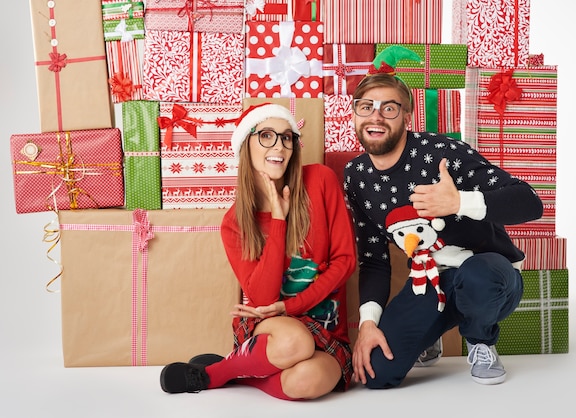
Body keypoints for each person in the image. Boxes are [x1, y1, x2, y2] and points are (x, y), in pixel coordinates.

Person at [344, 47, 544, 388]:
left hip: (489, 273)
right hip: (429, 281)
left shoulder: (441, 152)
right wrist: (367, 324)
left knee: (479, 279)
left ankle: (481, 341)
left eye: (388, 108)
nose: (376, 117)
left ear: (406, 116)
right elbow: (375, 262)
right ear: (354, 115)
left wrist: (459, 202)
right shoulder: (356, 177)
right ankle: (430, 331)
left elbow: (530, 203)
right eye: (367, 107)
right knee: (377, 373)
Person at [159, 103, 357, 400]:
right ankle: (218, 373)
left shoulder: (321, 180)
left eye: (286, 137)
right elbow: (264, 299)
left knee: (308, 381)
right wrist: (279, 219)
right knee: (295, 343)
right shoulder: (235, 223)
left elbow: (345, 262)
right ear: (245, 144)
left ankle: (234, 373)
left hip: (325, 326)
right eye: (266, 135)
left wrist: (289, 307)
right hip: (271, 325)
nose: (279, 145)